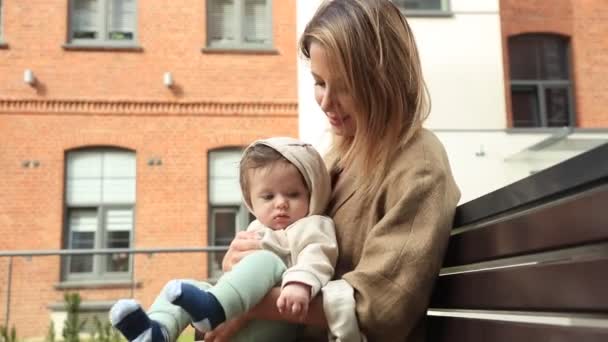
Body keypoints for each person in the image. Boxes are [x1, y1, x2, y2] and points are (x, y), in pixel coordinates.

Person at [204, 0, 461, 341]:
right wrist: (245, 262)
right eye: (319, 81)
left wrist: (245, 303)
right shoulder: (337, 158)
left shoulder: (419, 166)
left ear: (385, 79)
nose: (326, 101)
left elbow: (381, 306)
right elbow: (297, 249)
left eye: (344, 85)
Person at [109, 137, 338, 342]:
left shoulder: (313, 226)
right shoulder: (255, 230)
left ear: (313, 193)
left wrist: (299, 285)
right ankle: (157, 330)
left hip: (280, 319)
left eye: (293, 194)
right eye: (268, 196)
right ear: (251, 202)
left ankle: (212, 309)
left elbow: (317, 256)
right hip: (241, 316)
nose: (280, 203)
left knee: (268, 261)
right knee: (187, 287)